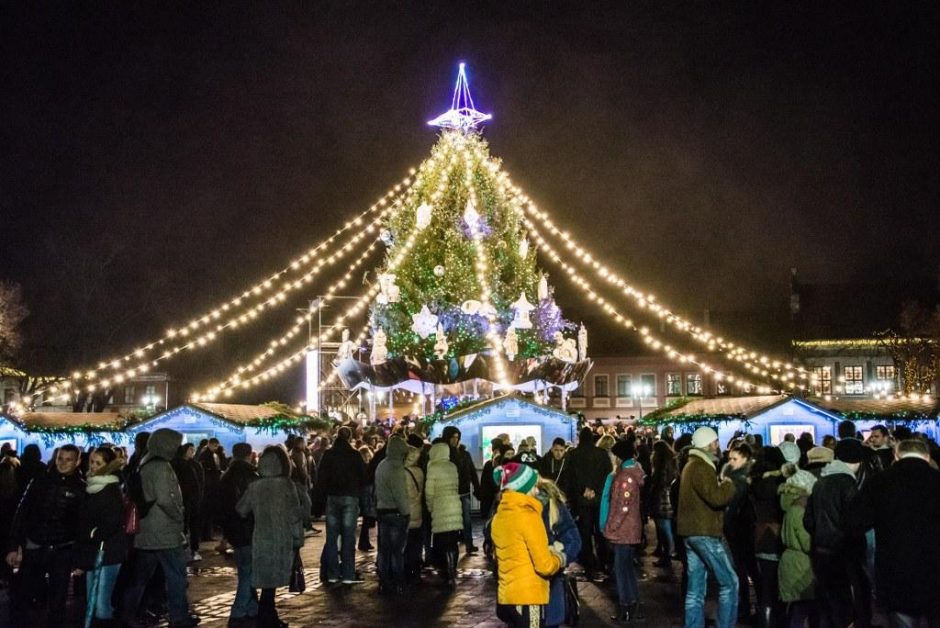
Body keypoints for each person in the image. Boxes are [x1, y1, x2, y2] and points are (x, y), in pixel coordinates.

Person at [848, 439, 940, 626]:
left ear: (896, 456)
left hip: (896, 570)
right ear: (927, 456)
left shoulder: (879, 482)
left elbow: (854, 522)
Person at [121, 428, 199, 628]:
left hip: (146, 530)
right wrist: (178, 515)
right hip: (164, 530)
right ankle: (179, 616)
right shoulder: (162, 466)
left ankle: (126, 613)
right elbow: (166, 499)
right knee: (176, 575)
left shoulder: (145, 462)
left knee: (141, 577)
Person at [6, 444, 85, 626]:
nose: (63, 463)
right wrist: (14, 545)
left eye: (68, 459)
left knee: (57, 601)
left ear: (78, 461)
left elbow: (82, 526)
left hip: (62, 549)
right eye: (60, 458)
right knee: (23, 596)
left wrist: (80, 558)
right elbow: (22, 513)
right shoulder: (40, 481)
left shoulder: (81, 488)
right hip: (36, 544)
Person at [236, 446, 310, 628]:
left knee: (265, 580)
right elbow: (294, 515)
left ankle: (268, 615)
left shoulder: (255, 486)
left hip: (260, 536)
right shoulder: (286, 485)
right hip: (281, 537)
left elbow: (241, 509)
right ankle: (267, 617)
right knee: (273, 582)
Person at [677, 426, 738, 628]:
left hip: (690, 533)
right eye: (716, 442)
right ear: (709, 444)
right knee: (729, 583)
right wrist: (729, 483)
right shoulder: (701, 467)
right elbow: (716, 498)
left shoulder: (690, 465)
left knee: (695, 589)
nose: (718, 446)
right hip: (704, 533)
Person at [491, 462, 564, 627]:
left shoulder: (499, 516)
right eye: (534, 486)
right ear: (523, 488)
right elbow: (544, 566)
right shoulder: (529, 517)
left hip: (507, 597)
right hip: (529, 597)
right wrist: (558, 557)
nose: (537, 490)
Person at [803, 437, 866, 628]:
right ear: (857, 461)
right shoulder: (848, 483)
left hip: (821, 550)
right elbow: (855, 520)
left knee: (828, 601)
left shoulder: (821, 482)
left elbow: (808, 520)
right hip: (843, 552)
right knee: (844, 603)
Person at [73, 446, 129, 626]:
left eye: (98, 463)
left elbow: (111, 522)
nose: (94, 466)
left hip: (108, 550)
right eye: (91, 461)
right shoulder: (91, 485)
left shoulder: (110, 487)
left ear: (108, 465)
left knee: (101, 602)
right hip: (94, 549)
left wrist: (93, 533)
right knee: (92, 598)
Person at [600, 439, 646, 624]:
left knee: (621, 570)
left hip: (624, 531)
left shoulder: (624, 477)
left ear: (618, 457)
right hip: (631, 529)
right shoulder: (632, 473)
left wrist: (611, 527)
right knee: (627, 569)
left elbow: (621, 507)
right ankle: (633, 607)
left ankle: (626, 608)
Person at [317, 426, 366, 584]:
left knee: (331, 538)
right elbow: (363, 476)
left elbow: (321, 477)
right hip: (350, 497)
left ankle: (332, 573)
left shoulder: (328, 454)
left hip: (332, 497)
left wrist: (322, 497)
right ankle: (348, 574)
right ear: (350, 437)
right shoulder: (354, 455)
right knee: (348, 537)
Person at [218, 442, 260, 627]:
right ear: (250, 454)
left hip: (232, 527)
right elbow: (249, 505)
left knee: (246, 568)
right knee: (247, 571)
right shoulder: (250, 475)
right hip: (246, 527)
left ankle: (252, 608)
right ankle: (239, 610)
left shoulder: (227, 475)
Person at [778, 459, 820, 628]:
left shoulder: (789, 507)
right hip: (801, 564)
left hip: (791, 562)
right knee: (803, 609)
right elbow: (806, 542)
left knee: (797, 608)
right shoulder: (800, 510)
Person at [567, 427, 612, 581]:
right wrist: (596, 490)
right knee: (600, 532)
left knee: (585, 534)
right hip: (599, 499)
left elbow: (570, 478)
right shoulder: (602, 454)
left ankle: (589, 564)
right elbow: (608, 473)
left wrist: (583, 490)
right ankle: (603, 561)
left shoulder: (573, 454)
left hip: (581, 501)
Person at [535, 478, 581, 628]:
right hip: (523, 585)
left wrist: (559, 557)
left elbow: (573, 539)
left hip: (550, 579)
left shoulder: (551, 505)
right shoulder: (512, 506)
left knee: (549, 620)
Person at [748, 446, 786, 628]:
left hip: (760, 534)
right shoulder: (781, 482)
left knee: (765, 587)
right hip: (778, 535)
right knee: (778, 587)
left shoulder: (754, 481)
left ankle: (764, 620)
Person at [722, 441, 755, 623]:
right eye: (730, 459)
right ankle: (747, 604)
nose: (731, 462)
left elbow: (733, 506)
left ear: (745, 459)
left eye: (735, 459)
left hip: (741, 527)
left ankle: (744, 605)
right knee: (743, 567)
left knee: (741, 567)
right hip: (739, 527)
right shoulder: (734, 477)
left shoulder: (741, 481)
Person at [373, 436, 411, 595]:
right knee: (397, 551)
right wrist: (406, 513)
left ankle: (384, 581)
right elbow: (400, 494)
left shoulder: (382, 465)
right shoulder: (397, 468)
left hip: (382, 511)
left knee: (383, 549)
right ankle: (398, 582)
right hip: (395, 513)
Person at [425, 441, 463, 588]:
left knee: (441, 541)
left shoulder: (433, 467)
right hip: (454, 504)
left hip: (440, 506)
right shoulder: (452, 467)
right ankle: (452, 570)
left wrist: (430, 507)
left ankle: (446, 572)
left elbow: (429, 492)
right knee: (452, 541)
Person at [441, 426, 480, 555]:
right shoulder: (445, 454)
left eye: (457, 437)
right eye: (453, 437)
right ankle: (457, 543)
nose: (455, 440)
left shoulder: (464, 454)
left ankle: (468, 543)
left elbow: (472, 472)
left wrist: (477, 487)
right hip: (451, 493)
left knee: (467, 520)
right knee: (454, 521)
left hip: (464, 491)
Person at [172, 443, 205, 561]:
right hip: (185, 499)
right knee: (185, 524)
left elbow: (200, 482)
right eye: (190, 449)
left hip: (192, 499)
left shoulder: (194, 464)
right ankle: (186, 549)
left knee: (192, 523)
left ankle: (193, 549)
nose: (192, 451)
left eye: (193, 449)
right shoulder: (178, 464)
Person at [649, 440, 677, 569]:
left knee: (664, 528)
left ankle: (667, 554)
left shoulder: (661, 467)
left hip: (661, 499)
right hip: (667, 499)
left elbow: (658, 482)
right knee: (665, 528)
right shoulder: (671, 462)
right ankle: (666, 552)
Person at [402, 442, 425, 584]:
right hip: (418, 510)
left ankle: (407, 569)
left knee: (407, 542)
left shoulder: (403, 472)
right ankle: (415, 568)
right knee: (416, 543)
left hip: (407, 511)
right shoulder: (420, 471)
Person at [198, 438, 223, 541]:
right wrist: (216, 472)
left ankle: (207, 534)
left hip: (210, 485)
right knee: (207, 512)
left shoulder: (209, 454)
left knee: (208, 512)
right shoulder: (206, 455)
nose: (216, 448)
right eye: (215, 446)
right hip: (209, 486)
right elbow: (209, 468)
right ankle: (206, 535)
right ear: (211, 444)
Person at [478, 437, 503, 521]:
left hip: (488, 496)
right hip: (496, 495)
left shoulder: (489, 464)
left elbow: (485, 481)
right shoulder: (499, 464)